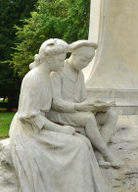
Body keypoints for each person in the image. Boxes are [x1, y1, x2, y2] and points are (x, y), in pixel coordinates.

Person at [9, 39, 108, 192]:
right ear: (49, 59)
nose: (63, 63)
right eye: (61, 60)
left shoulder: (46, 77)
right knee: (77, 145)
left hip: (41, 126)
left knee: (83, 142)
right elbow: (29, 116)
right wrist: (60, 129)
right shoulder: (33, 78)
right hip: (30, 132)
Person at [47, 40, 121, 168]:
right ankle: (106, 154)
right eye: (84, 60)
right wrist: (79, 107)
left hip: (75, 111)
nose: (86, 64)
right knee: (88, 118)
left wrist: (96, 105)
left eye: (88, 62)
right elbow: (55, 102)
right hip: (59, 113)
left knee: (112, 115)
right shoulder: (58, 71)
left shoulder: (79, 74)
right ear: (74, 55)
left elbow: (82, 98)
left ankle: (98, 154)